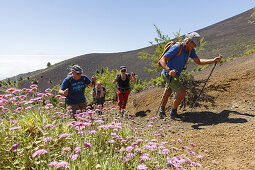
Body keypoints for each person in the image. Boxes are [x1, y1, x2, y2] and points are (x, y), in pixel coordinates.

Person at [159, 32, 222, 119]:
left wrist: (213, 61)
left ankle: (161, 112)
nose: (195, 46)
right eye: (194, 44)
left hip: (175, 75)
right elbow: (163, 59)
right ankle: (173, 114)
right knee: (181, 93)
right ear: (188, 41)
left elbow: (198, 61)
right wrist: (168, 70)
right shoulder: (177, 47)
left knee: (168, 92)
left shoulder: (190, 50)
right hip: (168, 74)